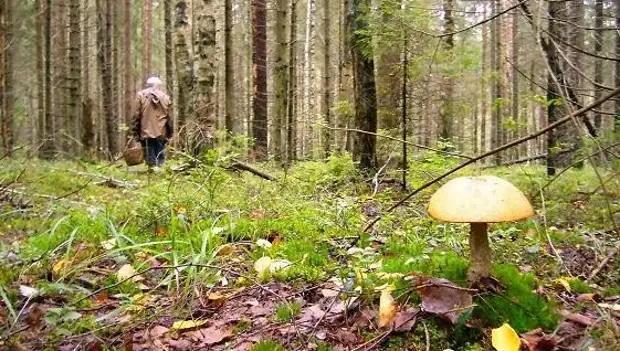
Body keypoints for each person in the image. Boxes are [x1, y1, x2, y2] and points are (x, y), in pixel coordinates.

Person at [132, 76, 173, 168]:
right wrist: (170, 134)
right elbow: (169, 118)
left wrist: (135, 132)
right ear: (158, 86)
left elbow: (136, 115)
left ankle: (152, 176)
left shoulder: (141, 95)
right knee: (160, 156)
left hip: (146, 132)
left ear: (147, 85)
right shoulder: (165, 97)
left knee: (150, 157)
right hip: (161, 132)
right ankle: (161, 176)